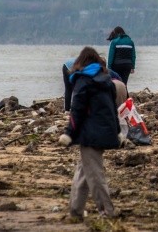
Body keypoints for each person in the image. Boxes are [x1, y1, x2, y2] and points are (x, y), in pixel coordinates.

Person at [58, 46, 120, 220]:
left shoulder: (82, 80)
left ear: (80, 62)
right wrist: (117, 131)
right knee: (83, 172)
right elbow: (112, 110)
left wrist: (69, 133)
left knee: (94, 174)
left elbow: (76, 110)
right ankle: (75, 211)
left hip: (91, 133)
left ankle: (107, 211)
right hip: (105, 132)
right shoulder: (107, 81)